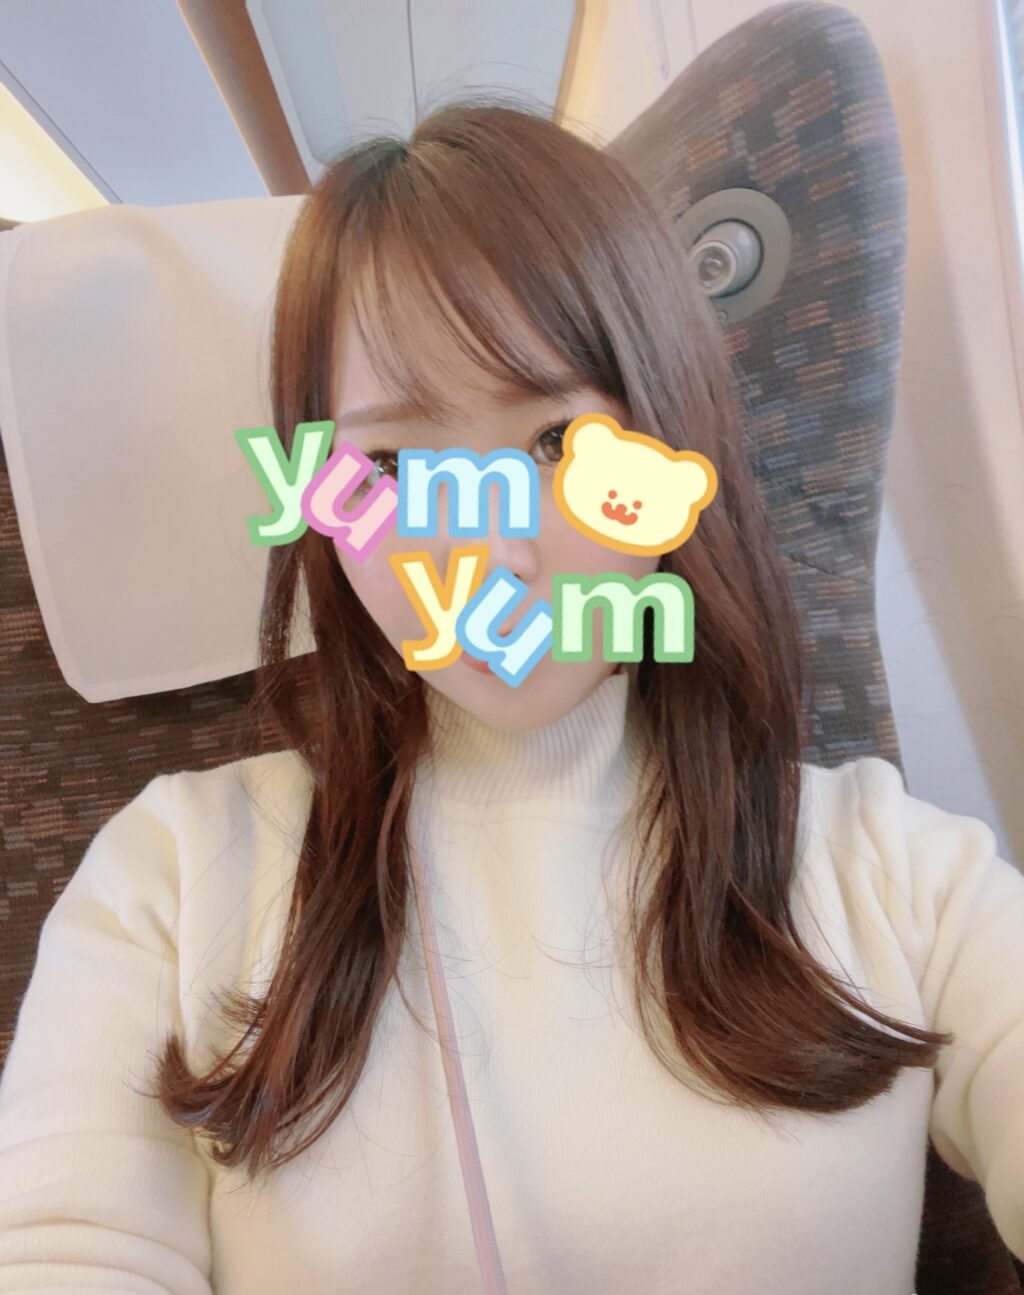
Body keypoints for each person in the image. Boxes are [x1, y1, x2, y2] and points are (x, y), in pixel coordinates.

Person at [0, 98, 1022, 1295]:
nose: (492, 554)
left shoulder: (892, 870)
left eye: (553, 443)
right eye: (395, 463)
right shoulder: (171, 875)